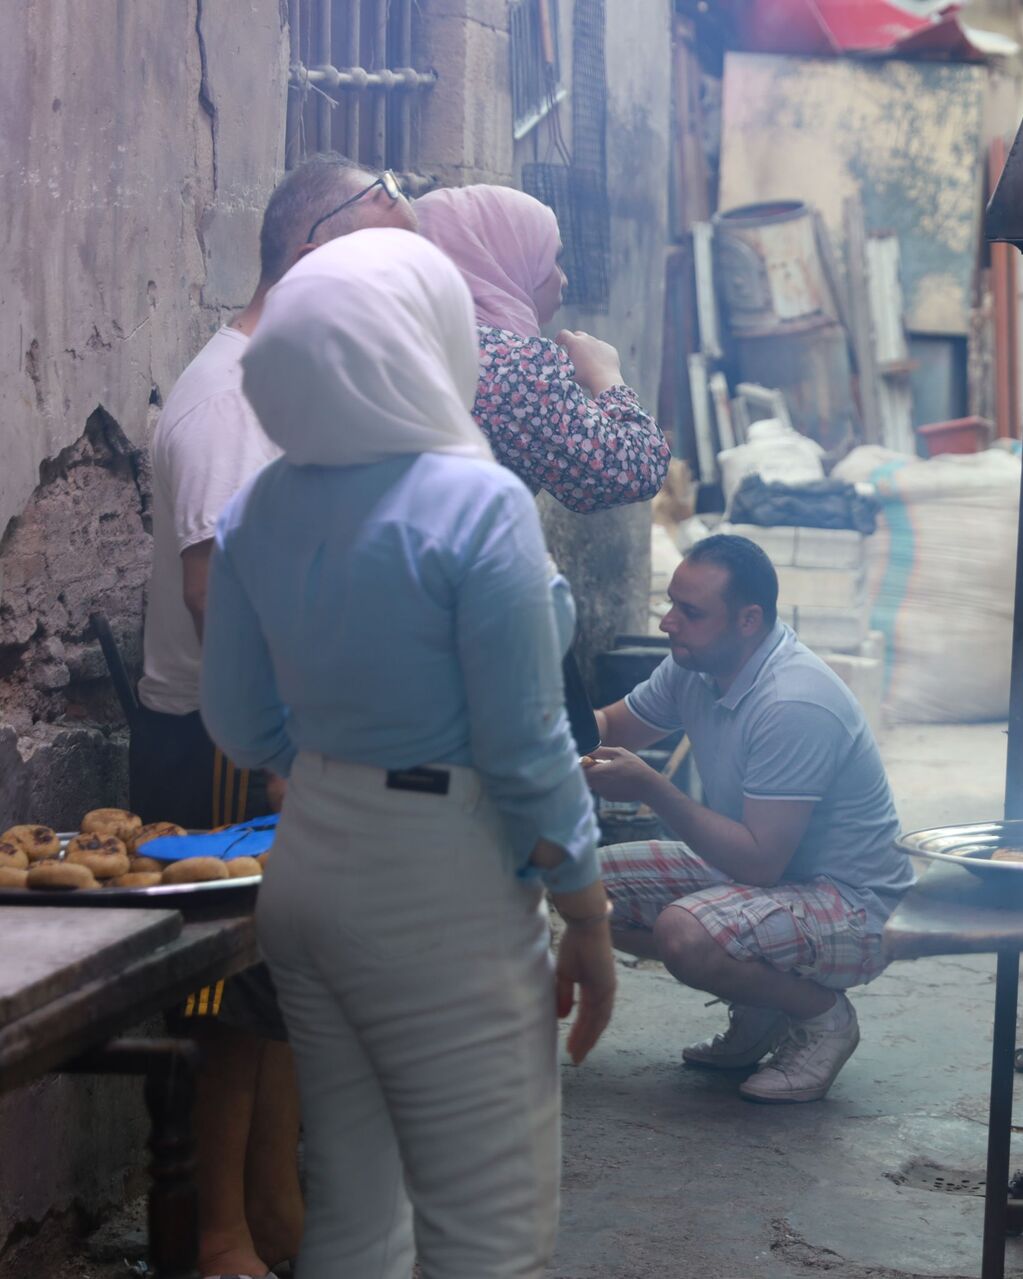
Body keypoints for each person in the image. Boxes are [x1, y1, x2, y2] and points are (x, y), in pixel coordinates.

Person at [200, 228, 617, 1279]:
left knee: (354, 1213)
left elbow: (243, 727)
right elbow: (527, 751)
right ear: (423, 347)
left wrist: (342, 758)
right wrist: (588, 914)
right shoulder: (480, 505)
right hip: (440, 885)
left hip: (304, 873)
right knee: (488, 1231)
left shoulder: (259, 508)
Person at [132, 151, 417, 1279]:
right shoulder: (226, 397)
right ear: (310, 254)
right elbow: (217, 602)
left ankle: (278, 1211)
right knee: (227, 998)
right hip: (226, 748)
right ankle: (219, 1239)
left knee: (287, 989)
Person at [583, 534, 914, 1104]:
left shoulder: (792, 701)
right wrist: (527, 724)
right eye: (671, 604)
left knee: (685, 933)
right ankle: (764, 1005)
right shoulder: (695, 665)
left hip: (855, 906)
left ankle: (823, 1018)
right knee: (585, 890)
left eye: (689, 612)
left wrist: (650, 786)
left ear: (748, 620)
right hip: (772, 876)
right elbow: (611, 728)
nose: (668, 623)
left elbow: (760, 862)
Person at [416, 183, 669, 513]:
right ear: (498, 259)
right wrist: (606, 374)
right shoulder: (511, 366)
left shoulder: (409, 337)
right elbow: (636, 469)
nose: (562, 278)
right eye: (551, 259)